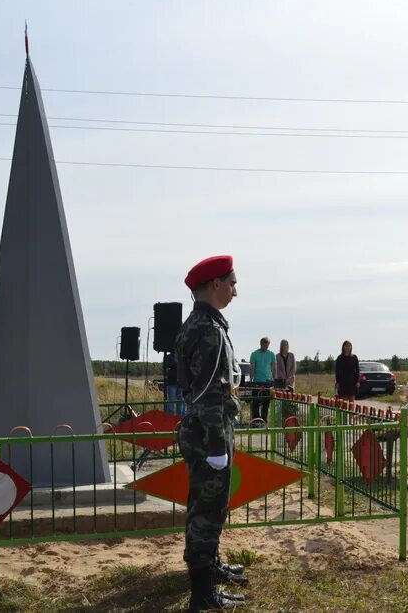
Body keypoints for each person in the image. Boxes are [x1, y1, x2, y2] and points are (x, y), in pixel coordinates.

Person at [173, 255, 246, 611]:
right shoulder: (207, 330)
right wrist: (218, 445)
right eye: (231, 282)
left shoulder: (204, 324)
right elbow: (210, 394)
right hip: (208, 435)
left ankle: (212, 568)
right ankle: (202, 595)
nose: (235, 289)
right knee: (206, 512)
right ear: (215, 283)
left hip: (205, 431)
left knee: (210, 507)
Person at [248, 337, 276, 423]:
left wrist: (274, 379)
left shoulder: (271, 354)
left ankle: (264, 420)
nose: (266, 347)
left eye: (267, 345)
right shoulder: (254, 354)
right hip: (257, 381)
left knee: (266, 402)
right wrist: (251, 379)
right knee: (256, 402)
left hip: (268, 382)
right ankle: (256, 420)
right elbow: (252, 367)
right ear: (261, 344)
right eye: (264, 344)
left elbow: (273, 367)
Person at [164, 351, 185, 417]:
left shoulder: (182, 355)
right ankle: (170, 419)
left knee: (181, 402)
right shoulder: (168, 357)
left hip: (181, 383)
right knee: (171, 401)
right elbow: (166, 366)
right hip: (171, 383)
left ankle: (180, 419)